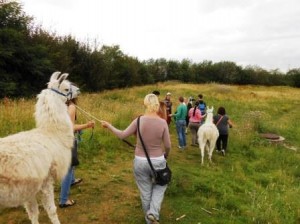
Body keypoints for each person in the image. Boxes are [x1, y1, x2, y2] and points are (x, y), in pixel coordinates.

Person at [101, 93, 171, 224]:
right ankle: (153, 213)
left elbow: (122, 135)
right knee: (161, 185)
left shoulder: (138, 120)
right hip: (158, 160)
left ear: (145, 104)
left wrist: (109, 125)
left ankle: (150, 220)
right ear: (157, 104)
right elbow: (168, 145)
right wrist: (166, 154)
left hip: (139, 161)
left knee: (145, 192)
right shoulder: (162, 123)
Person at [59, 84, 95, 208]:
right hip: (67, 140)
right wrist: (87, 125)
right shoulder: (72, 106)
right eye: (77, 93)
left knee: (71, 163)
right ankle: (64, 200)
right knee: (68, 168)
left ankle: (72, 181)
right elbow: (70, 127)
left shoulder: (59, 106)